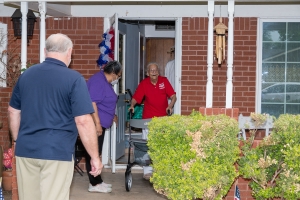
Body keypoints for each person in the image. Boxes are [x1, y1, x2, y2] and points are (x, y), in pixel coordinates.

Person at [8, 33, 103, 200]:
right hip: (56, 152)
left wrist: (17, 140)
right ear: (69, 52)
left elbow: (13, 111)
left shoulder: (26, 76)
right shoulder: (74, 79)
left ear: (45, 51)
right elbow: (83, 121)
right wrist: (94, 157)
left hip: (26, 152)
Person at [129, 62, 176, 180]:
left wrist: (170, 106)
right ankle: (148, 171)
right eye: (151, 70)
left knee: (162, 144)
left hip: (162, 119)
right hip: (148, 119)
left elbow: (173, 95)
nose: (154, 72)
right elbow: (136, 97)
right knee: (148, 145)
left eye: (155, 70)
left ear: (158, 72)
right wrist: (132, 105)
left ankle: (161, 170)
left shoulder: (164, 81)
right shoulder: (144, 84)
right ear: (147, 73)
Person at [85, 60, 122, 193]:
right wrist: (98, 124)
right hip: (95, 124)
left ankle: (98, 180)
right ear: (113, 73)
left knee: (96, 152)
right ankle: (93, 184)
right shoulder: (98, 81)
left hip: (101, 122)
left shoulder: (103, 81)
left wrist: (112, 115)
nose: (118, 78)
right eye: (118, 76)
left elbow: (105, 101)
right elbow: (93, 103)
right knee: (93, 153)